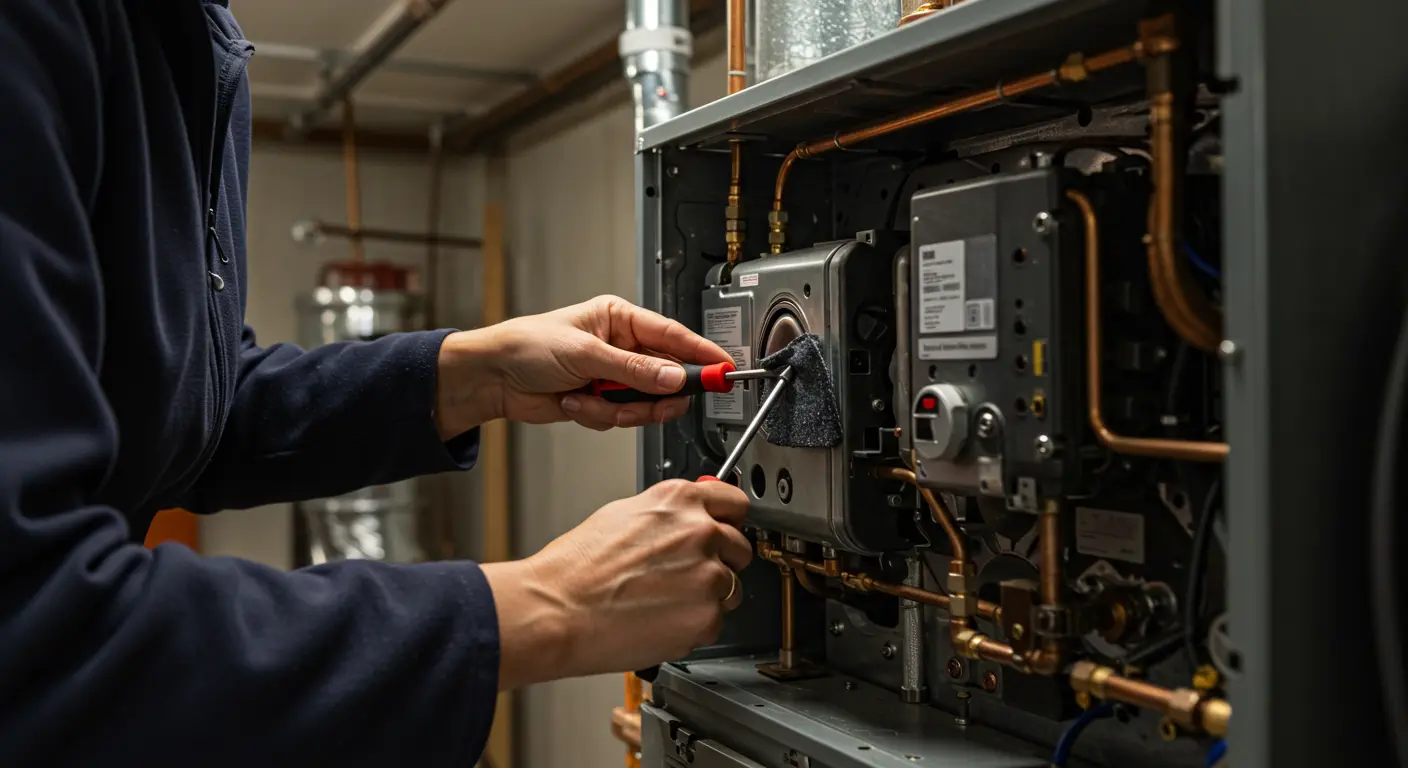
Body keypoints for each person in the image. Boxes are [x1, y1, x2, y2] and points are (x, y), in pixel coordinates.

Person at [0, 2, 752, 764]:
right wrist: (551, 605)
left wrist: (466, 373)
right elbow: (32, 633)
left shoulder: (189, 35)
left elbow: (181, 405)